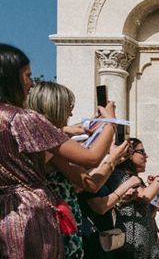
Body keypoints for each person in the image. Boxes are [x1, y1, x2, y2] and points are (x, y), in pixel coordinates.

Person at [0, 43, 116, 259]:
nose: (31, 83)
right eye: (27, 76)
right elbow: (91, 159)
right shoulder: (24, 118)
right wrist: (110, 122)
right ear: (10, 78)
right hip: (30, 211)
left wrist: (65, 131)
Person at [25, 81, 133, 259]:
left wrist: (84, 130)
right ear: (55, 107)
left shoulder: (34, 138)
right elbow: (91, 159)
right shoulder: (48, 140)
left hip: (54, 223)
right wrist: (110, 125)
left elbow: (83, 179)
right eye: (68, 107)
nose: (71, 113)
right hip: (54, 228)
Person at [101, 138, 159, 259]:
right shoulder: (120, 176)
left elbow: (149, 214)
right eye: (142, 152)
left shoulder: (135, 178)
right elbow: (145, 197)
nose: (146, 156)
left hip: (148, 244)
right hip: (133, 246)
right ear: (129, 154)